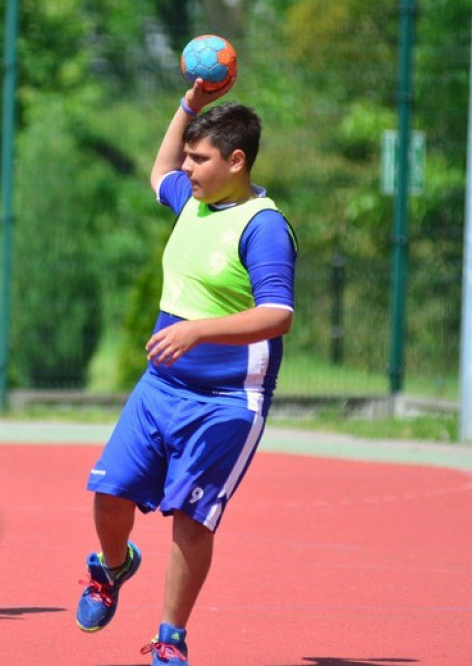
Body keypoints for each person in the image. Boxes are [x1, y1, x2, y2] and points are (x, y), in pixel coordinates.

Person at [75, 75, 297, 665]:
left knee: (191, 518)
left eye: (200, 158)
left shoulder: (263, 225)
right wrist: (188, 105)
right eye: (190, 156)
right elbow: (157, 174)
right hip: (161, 387)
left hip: (228, 399)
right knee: (108, 492)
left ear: (237, 160)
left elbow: (278, 314)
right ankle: (113, 566)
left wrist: (198, 329)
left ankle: (170, 638)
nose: (187, 166)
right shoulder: (193, 201)